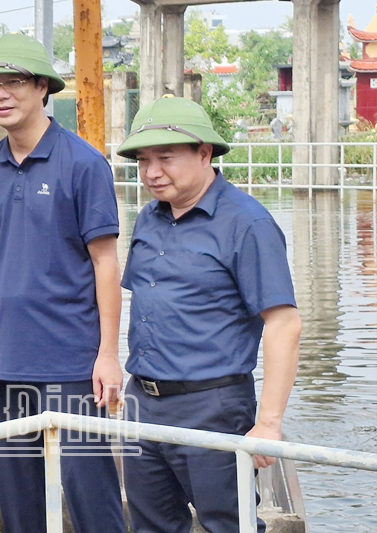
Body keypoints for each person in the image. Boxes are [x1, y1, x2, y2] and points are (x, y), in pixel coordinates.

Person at [0, 34, 127, 533]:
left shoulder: (82, 163)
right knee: (17, 498)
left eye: (12, 82)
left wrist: (107, 354)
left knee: (89, 490)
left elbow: (105, 263)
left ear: (41, 88)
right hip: (6, 361)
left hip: (71, 360)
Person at [115, 96, 302, 533]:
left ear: (205, 154)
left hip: (212, 403)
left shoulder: (247, 224)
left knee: (228, 524)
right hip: (143, 400)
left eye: (165, 157)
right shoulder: (148, 218)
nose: (152, 172)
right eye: (143, 160)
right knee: (150, 523)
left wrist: (268, 423)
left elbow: (283, 322)